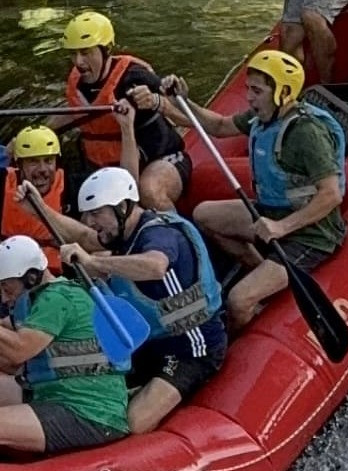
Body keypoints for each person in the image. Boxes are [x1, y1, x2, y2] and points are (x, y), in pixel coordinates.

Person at [152, 49, 347, 331]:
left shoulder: (307, 133)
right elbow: (218, 126)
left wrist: (281, 227)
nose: (250, 97)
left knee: (238, 300)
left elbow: (331, 194)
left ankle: (245, 329)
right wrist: (181, 100)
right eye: (248, 89)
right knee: (204, 215)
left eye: (257, 90)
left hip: (310, 234)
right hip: (272, 211)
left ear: (282, 92)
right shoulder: (264, 117)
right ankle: (259, 268)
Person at [59, 166, 227, 435]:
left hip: (192, 348)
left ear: (123, 207)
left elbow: (155, 266)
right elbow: (81, 236)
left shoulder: (158, 235)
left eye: (96, 213)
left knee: (135, 423)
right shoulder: (124, 234)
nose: (90, 222)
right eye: (86, 214)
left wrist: (96, 263)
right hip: (151, 345)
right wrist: (37, 210)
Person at [0, 235, 131, 463]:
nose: (3, 297)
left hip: (91, 413)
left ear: (31, 277)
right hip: (56, 394)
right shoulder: (38, 299)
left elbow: (19, 351)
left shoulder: (58, 299)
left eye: (7, 289)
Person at [53, 11, 192, 212]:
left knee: (149, 192)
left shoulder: (136, 77)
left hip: (162, 158)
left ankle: (177, 235)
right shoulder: (79, 82)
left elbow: (188, 118)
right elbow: (76, 112)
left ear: (105, 50)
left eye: (85, 53)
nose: (78, 62)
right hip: (108, 166)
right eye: (73, 53)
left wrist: (156, 102)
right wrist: (35, 133)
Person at [0, 118, 71, 271]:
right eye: (33, 162)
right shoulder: (0, 183)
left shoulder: (69, 184)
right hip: (11, 271)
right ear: (19, 164)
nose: (43, 169)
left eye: (48, 161)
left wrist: (118, 124)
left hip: (55, 273)